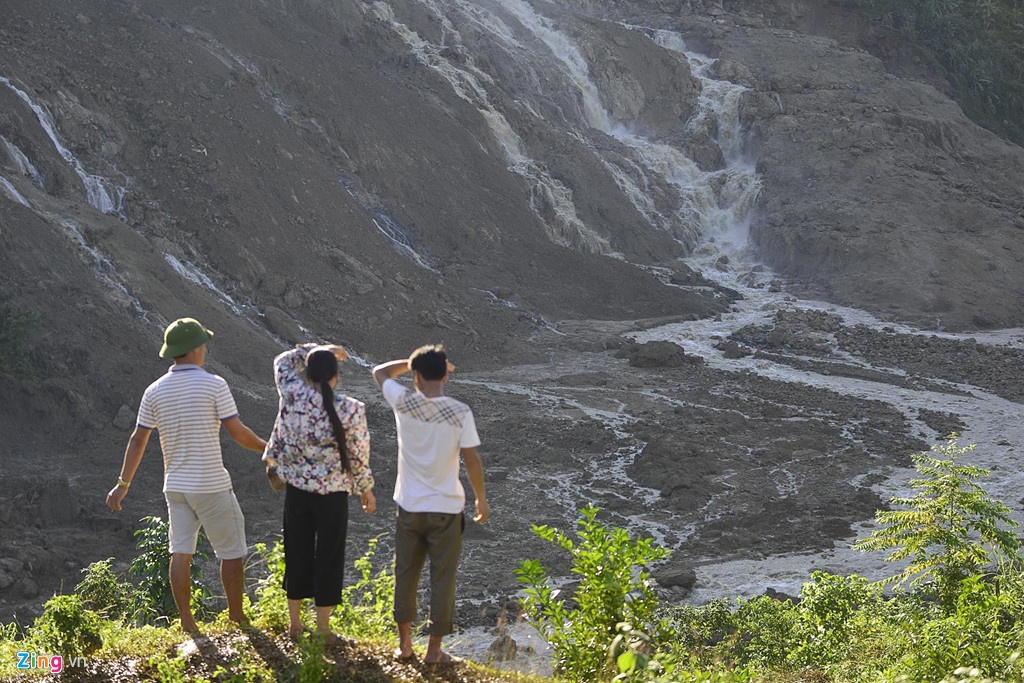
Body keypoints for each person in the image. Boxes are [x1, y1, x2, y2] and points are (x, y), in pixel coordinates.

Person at [105, 317, 267, 633]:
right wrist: (268, 448)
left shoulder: (154, 391)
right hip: (210, 484)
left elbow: (138, 439)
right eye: (202, 344)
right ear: (194, 349)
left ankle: (187, 621)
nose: (205, 349)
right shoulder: (214, 384)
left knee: (180, 552)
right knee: (231, 552)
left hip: (175, 486)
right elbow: (237, 432)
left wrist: (122, 484)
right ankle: (237, 617)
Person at [372, 344, 489, 665]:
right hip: (446, 508)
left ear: (416, 377)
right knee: (442, 578)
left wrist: (411, 363)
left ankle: (405, 645)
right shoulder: (459, 411)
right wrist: (480, 498)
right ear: (446, 377)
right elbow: (471, 460)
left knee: (405, 573)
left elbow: (380, 372)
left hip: (409, 505)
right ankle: (435, 651)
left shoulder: (404, 402)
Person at [263, 343, 376, 644]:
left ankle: (295, 624)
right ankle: (323, 629)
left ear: (308, 374)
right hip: (334, 494)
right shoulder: (352, 409)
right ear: (337, 376)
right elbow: (358, 455)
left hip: (297, 490)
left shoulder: (293, 394)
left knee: (296, 551)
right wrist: (366, 489)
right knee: (329, 555)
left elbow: (282, 361)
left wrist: (316, 349)